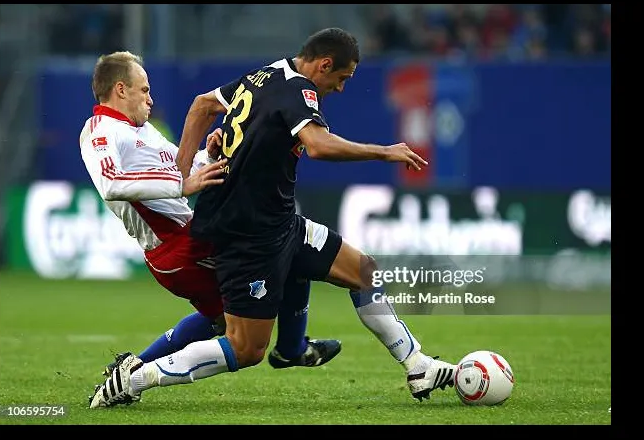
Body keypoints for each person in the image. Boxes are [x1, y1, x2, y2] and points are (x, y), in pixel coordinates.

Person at [88, 29, 457, 409]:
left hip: (278, 222)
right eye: (342, 79)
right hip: (248, 235)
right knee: (245, 348)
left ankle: (417, 365)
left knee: (364, 271)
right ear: (324, 64)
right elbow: (317, 144)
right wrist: (382, 152)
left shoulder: (266, 74)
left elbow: (202, 105)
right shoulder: (299, 90)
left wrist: (196, 163)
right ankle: (137, 377)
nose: (342, 89)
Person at [79, 51, 343, 404]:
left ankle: (131, 371)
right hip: (175, 247)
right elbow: (112, 183)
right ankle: (293, 348)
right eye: (144, 90)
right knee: (285, 257)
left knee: (225, 318)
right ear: (120, 89)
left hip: (190, 237)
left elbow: (179, 170)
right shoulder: (100, 130)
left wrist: (208, 156)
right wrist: (182, 186)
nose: (150, 98)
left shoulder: (144, 132)